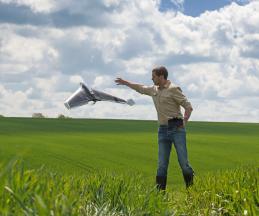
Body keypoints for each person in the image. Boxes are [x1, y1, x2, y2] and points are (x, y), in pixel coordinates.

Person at [115, 66, 194, 190]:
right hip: (162, 130)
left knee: (183, 163)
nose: (151, 79)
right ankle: (159, 197)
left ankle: (191, 190)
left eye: (154, 76)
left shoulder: (173, 89)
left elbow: (188, 107)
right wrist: (126, 83)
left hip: (176, 128)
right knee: (162, 165)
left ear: (161, 76)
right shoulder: (154, 89)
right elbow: (141, 88)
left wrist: (184, 121)